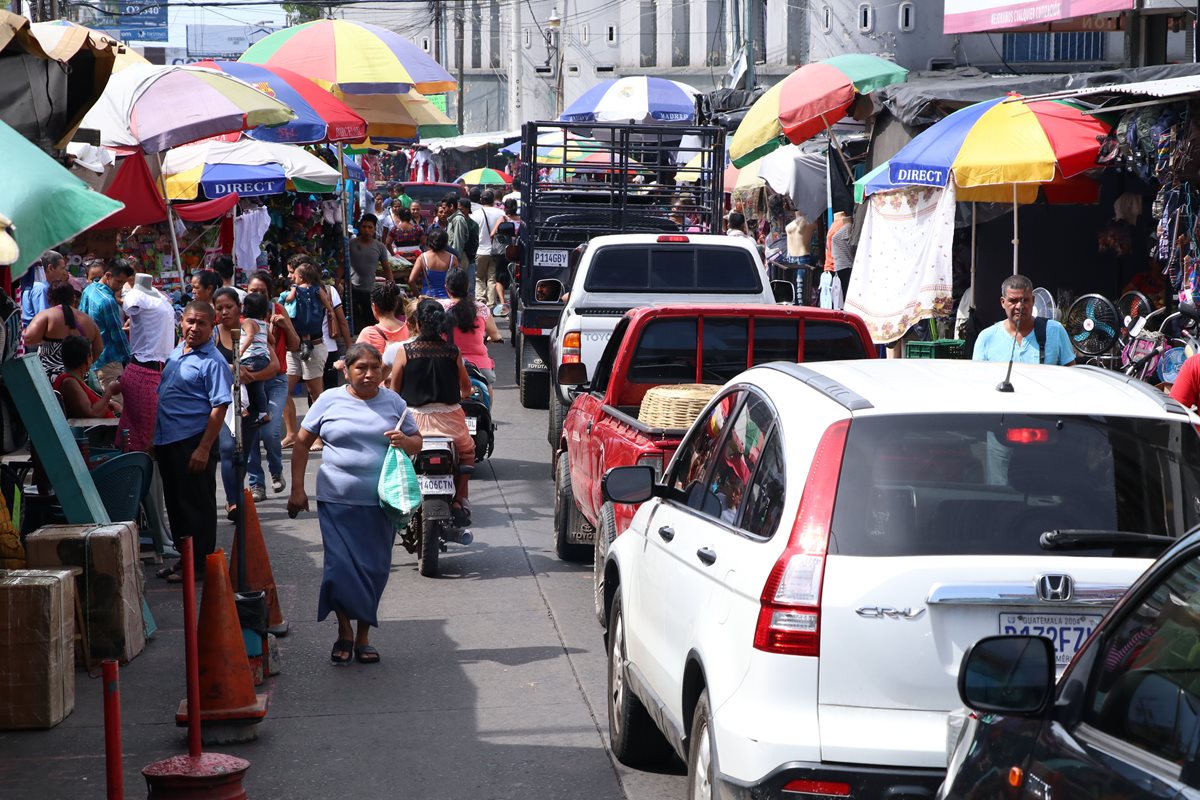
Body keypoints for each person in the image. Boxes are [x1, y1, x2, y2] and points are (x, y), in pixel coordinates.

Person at [288, 343, 422, 665]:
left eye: (375, 367)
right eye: (360, 367)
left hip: (381, 504)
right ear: (346, 370)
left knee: (373, 571)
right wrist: (297, 488)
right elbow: (302, 444)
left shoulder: (394, 402)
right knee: (339, 570)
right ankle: (344, 631)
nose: (369, 374)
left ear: (382, 371)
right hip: (336, 502)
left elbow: (417, 441)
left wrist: (405, 442)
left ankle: (363, 637)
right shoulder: (328, 400)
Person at [154, 301, 232, 583]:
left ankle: (199, 564)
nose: (194, 328)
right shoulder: (177, 352)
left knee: (196, 505)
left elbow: (219, 407)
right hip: (168, 440)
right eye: (190, 322)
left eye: (201, 323)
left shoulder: (214, 362)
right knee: (176, 504)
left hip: (193, 442)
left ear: (212, 327)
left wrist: (204, 447)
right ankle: (184, 560)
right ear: (181, 322)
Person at [389, 299, 475, 525]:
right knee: (467, 453)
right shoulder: (453, 351)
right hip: (451, 421)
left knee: (399, 454)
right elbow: (466, 389)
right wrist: (456, 396)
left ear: (416, 322)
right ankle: (460, 499)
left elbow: (393, 392)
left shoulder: (405, 351)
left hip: (413, 421)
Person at [212, 288, 280, 520]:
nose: (223, 312)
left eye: (228, 307)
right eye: (219, 308)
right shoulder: (212, 335)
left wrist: (250, 376)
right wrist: (232, 369)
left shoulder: (252, 330)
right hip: (224, 405)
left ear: (239, 308)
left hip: (250, 405)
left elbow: (274, 366)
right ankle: (233, 503)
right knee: (228, 449)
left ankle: (236, 496)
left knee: (242, 455)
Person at [246, 271, 298, 501]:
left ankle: (276, 471)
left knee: (269, 431)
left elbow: (295, 346)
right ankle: (256, 484)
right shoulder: (242, 317)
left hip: (276, 381)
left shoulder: (278, 311)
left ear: (270, 295)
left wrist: (285, 326)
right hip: (249, 381)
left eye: (261, 292)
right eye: (252, 291)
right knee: (249, 435)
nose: (257, 295)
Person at [121, 273, 176, 454]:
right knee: (146, 438)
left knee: (157, 435)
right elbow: (128, 305)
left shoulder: (159, 295)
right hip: (144, 371)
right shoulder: (134, 297)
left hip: (162, 372)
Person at [282, 262, 334, 448]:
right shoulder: (300, 290)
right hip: (293, 349)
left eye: (292, 273)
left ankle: (318, 437)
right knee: (283, 391)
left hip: (313, 344)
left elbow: (330, 308)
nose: (290, 277)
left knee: (315, 393)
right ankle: (291, 434)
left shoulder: (316, 290)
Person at [972, 274, 1075, 366]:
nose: (1020, 306)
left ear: (1033, 301)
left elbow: (1072, 375)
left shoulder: (1055, 331)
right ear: (1003, 302)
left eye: (1025, 300)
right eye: (1013, 301)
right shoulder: (987, 337)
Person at [24, 281, 102, 381]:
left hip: (50, 379)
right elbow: (99, 348)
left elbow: (28, 338)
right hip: (79, 378)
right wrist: (83, 367)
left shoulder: (46, 316)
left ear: (50, 299)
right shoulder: (88, 321)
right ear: (73, 298)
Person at [79, 256, 134, 391]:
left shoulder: (89, 290)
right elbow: (117, 336)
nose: (121, 286)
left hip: (93, 360)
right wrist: (130, 360)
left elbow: (82, 320)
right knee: (116, 405)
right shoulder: (107, 301)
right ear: (108, 275)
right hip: (109, 362)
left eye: (123, 283)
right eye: (119, 282)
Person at [443, 268, 502, 384]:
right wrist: (494, 338)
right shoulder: (481, 308)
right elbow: (495, 334)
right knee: (488, 385)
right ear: (467, 286)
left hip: (448, 364)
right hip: (481, 368)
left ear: (447, 288)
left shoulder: (441, 307)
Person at [52, 335, 122, 419]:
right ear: (87, 358)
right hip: (103, 430)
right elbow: (92, 414)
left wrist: (108, 403)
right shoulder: (69, 382)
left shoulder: (73, 379)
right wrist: (109, 391)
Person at [348, 213, 392, 334]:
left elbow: (386, 268)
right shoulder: (351, 244)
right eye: (364, 227)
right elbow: (342, 264)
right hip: (352, 290)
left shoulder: (380, 247)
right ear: (360, 227)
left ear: (374, 229)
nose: (366, 230)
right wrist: (337, 281)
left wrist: (391, 284)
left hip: (370, 290)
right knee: (354, 319)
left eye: (370, 227)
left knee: (370, 319)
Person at [238, 291, 274, 427]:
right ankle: (263, 413)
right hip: (264, 359)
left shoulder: (248, 322)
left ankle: (243, 407)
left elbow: (250, 336)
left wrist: (240, 352)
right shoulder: (263, 324)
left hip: (251, 358)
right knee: (258, 386)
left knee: (239, 377)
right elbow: (272, 339)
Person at [357, 281, 410, 367]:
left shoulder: (368, 333)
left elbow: (358, 363)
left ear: (374, 306)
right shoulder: (411, 328)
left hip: (381, 380)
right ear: (396, 303)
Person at [472, 188, 503, 308]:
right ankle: (491, 303)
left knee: (479, 277)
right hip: (496, 250)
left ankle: (480, 301)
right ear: (493, 200)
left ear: (481, 200)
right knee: (492, 277)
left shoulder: (475, 214)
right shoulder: (500, 213)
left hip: (480, 250)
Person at [21, 250, 69, 326]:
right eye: (62, 268)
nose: (64, 273)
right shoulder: (41, 288)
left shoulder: (38, 286)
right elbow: (45, 320)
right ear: (50, 268)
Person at [408, 229, 458, 299]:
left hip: (427, 298)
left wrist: (418, 297)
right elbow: (457, 281)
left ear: (430, 242)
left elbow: (411, 281)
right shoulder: (453, 259)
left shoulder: (422, 258)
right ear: (445, 243)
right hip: (447, 298)